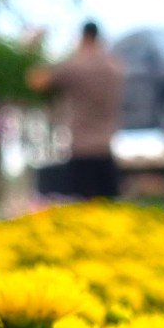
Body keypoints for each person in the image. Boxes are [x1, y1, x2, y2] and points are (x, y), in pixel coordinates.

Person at [30, 22, 125, 200]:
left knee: (82, 212)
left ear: (83, 38)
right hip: (106, 149)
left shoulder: (75, 66)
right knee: (112, 214)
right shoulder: (115, 68)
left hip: (82, 151)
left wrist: (35, 48)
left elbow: (37, 81)